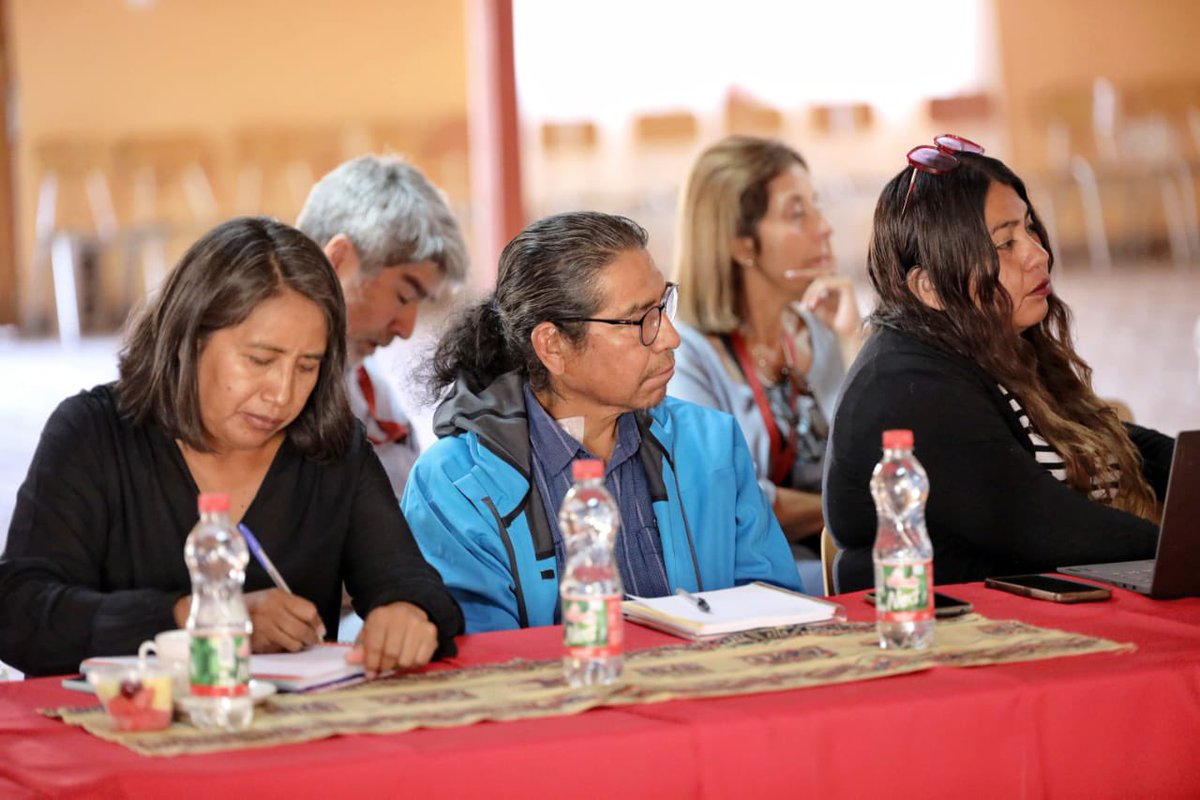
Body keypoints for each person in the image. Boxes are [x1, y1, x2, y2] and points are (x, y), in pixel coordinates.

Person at [0, 217, 463, 677]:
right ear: (189, 338)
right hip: (121, 732)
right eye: (260, 360)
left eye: (308, 366)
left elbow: (412, 583)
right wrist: (199, 619)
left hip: (286, 739)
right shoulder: (93, 434)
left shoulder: (329, 449)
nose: (282, 394)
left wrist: (406, 612)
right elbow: (19, 612)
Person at [401, 211, 801, 632]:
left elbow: (774, 612)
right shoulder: (455, 486)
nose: (670, 337)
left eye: (664, 306)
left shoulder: (710, 445)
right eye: (640, 319)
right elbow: (486, 661)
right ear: (552, 346)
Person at [823, 136, 1174, 592]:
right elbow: (1046, 525)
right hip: (943, 639)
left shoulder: (996, 345)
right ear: (929, 287)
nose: (1038, 254)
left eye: (1030, 229)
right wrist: (1177, 548)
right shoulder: (906, 386)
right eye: (1005, 243)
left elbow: (1117, 441)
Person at [668, 136, 862, 592]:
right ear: (741, 244)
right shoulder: (686, 354)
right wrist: (858, 508)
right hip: (752, 586)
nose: (824, 227)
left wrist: (856, 342)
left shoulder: (820, 328)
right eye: (798, 214)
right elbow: (732, 502)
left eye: (816, 206)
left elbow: (880, 454)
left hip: (841, 563)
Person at [296, 154, 469, 497]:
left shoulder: (373, 394)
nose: (406, 328)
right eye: (404, 295)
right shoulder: (263, 398)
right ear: (339, 260)